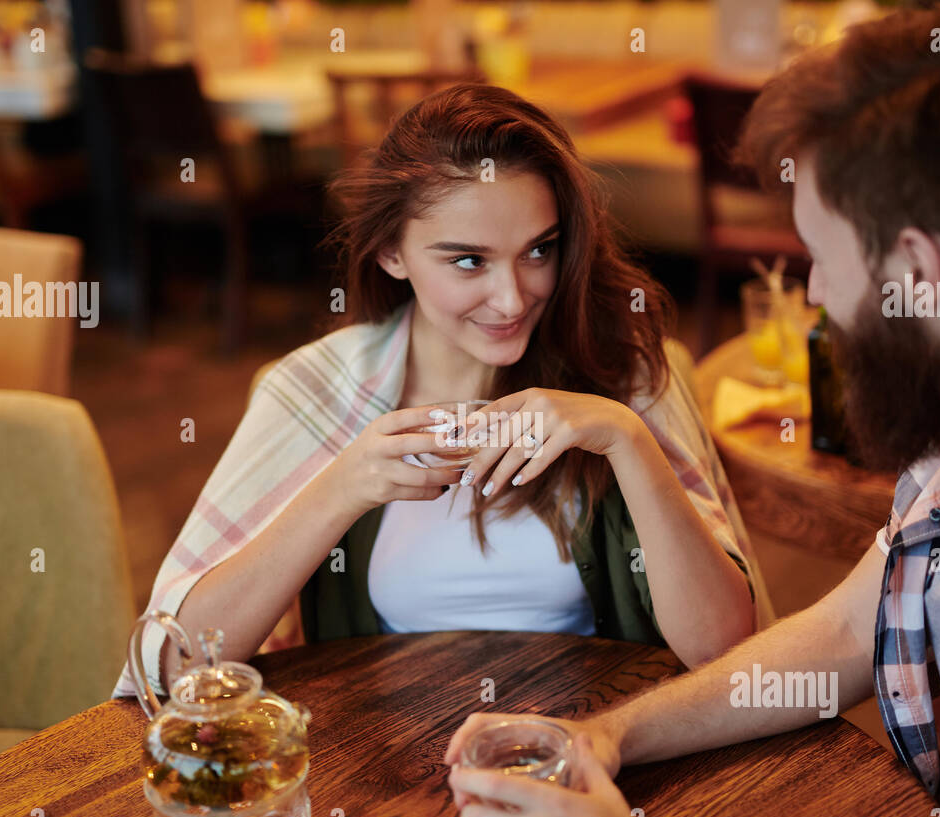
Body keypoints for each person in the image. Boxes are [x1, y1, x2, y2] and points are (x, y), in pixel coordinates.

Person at [446, 5, 940, 817]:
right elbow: (857, 628)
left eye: (821, 254)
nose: (814, 293)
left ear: (919, 272)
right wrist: (611, 735)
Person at [112, 83, 768, 701]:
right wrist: (342, 489)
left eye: (539, 251)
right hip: (382, 766)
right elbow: (174, 667)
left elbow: (724, 649)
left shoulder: (621, 369)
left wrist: (626, 441)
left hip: (595, 754)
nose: (513, 298)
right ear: (392, 253)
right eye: (468, 261)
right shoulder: (320, 389)